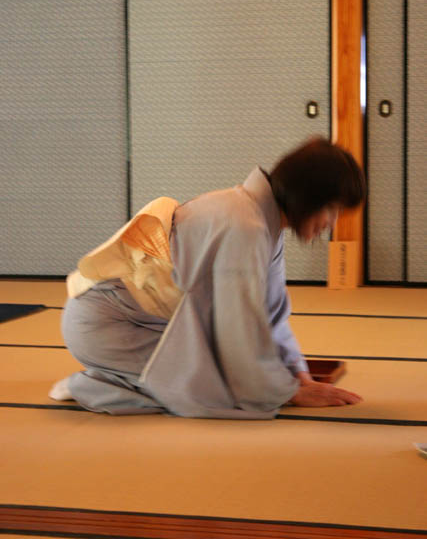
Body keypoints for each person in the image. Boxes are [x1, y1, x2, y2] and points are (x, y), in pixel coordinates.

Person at [50, 137, 365, 419]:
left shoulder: (261, 220)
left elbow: (271, 315)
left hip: (142, 323)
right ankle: (94, 385)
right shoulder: (246, 226)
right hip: (107, 326)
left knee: (231, 378)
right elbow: (237, 328)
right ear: (307, 196)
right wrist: (287, 391)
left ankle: (126, 377)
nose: (331, 223)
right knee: (215, 392)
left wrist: (297, 372)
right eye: (332, 209)